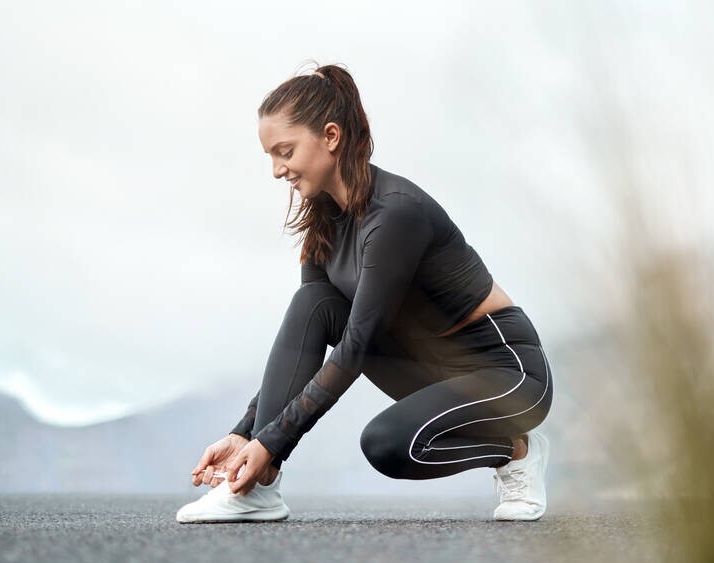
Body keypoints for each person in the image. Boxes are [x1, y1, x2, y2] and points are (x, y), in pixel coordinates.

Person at [176, 62, 553, 523]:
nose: (277, 170)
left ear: (330, 137)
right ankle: (259, 486)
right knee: (313, 302)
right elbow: (308, 340)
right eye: (271, 156)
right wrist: (246, 435)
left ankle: (516, 449)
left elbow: (355, 347)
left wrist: (272, 439)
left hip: (505, 370)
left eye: (285, 151)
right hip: (428, 367)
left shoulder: (395, 214)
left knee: (389, 446)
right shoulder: (323, 220)